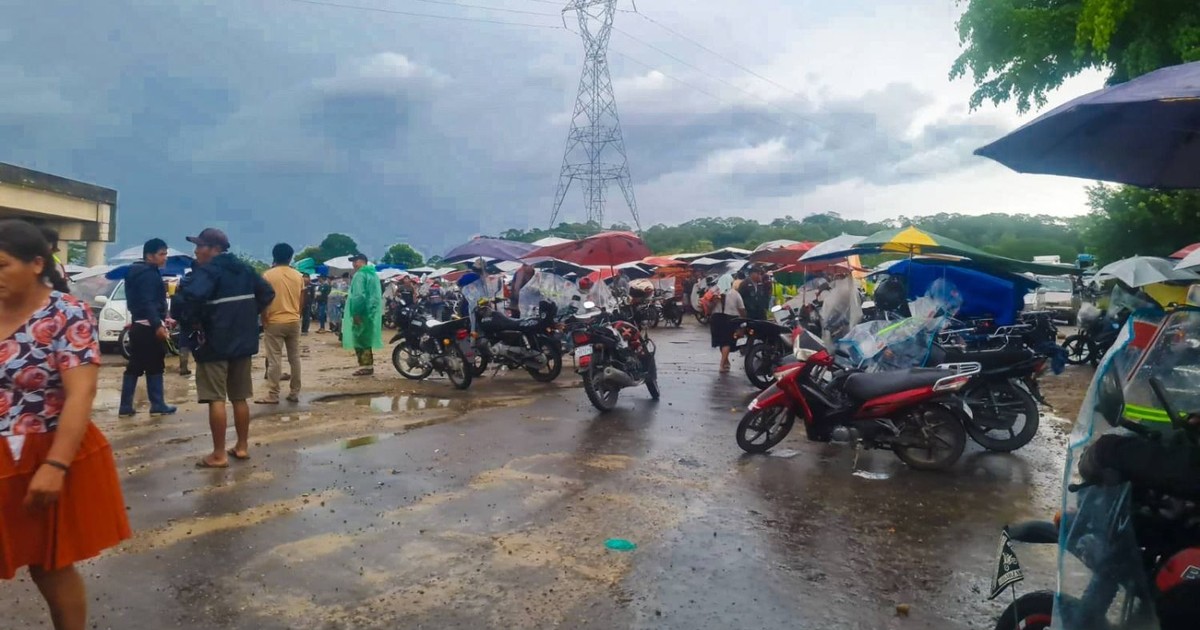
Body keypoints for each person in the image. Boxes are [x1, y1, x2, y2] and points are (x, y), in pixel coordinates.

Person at [0, 219, 131, 630]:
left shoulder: (65, 313)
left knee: (48, 565)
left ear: (37, 263)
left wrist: (55, 466)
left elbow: (81, 395)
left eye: (2, 265)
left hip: (42, 452)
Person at [173, 228, 274, 468]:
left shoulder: (208, 272)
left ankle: (218, 454)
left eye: (200, 246)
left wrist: (192, 319)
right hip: (243, 342)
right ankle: (241, 447)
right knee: (240, 397)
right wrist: (247, 314)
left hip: (213, 344)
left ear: (214, 249)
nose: (196, 250)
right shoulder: (245, 270)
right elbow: (267, 293)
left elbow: (187, 303)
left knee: (215, 398)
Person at [117, 238, 177, 417]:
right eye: (162, 254)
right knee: (155, 365)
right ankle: (157, 404)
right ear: (149, 256)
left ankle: (126, 406)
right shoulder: (148, 275)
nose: (165, 258)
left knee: (136, 365)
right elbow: (148, 302)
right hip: (148, 327)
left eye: (165, 254)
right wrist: (158, 324)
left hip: (138, 325)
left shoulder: (136, 272)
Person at [256, 243, 304, 405]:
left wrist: (264, 318)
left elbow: (263, 300)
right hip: (293, 320)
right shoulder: (298, 276)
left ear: (274, 256)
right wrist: (297, 313)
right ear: (290, 257)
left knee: (274, 359)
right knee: (294, 358)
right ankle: (294, 392)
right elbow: (301, 299)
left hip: (274, 321)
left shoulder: (268, 275)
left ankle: (273, 394)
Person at [343, 253, 383, 376]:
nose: (354, 264)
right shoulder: (373, 274)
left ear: (363, 262)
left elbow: (358, 296)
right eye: (353, 262)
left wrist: (356, 313)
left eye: (356, 261)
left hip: (361, 312)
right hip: (370, 312)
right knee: (366, 339)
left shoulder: (360, 275)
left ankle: (366, 366)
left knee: (360, 340)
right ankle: (368, 365)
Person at [709, 279, 746, 372]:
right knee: (727, 342)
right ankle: (722, 364)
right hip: (730, 319)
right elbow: (741, 308)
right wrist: (744, 319)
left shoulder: (714, 292)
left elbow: (708, 306)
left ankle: (726, 361)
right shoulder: (735, 293)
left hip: (716, 318)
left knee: (722, 342)